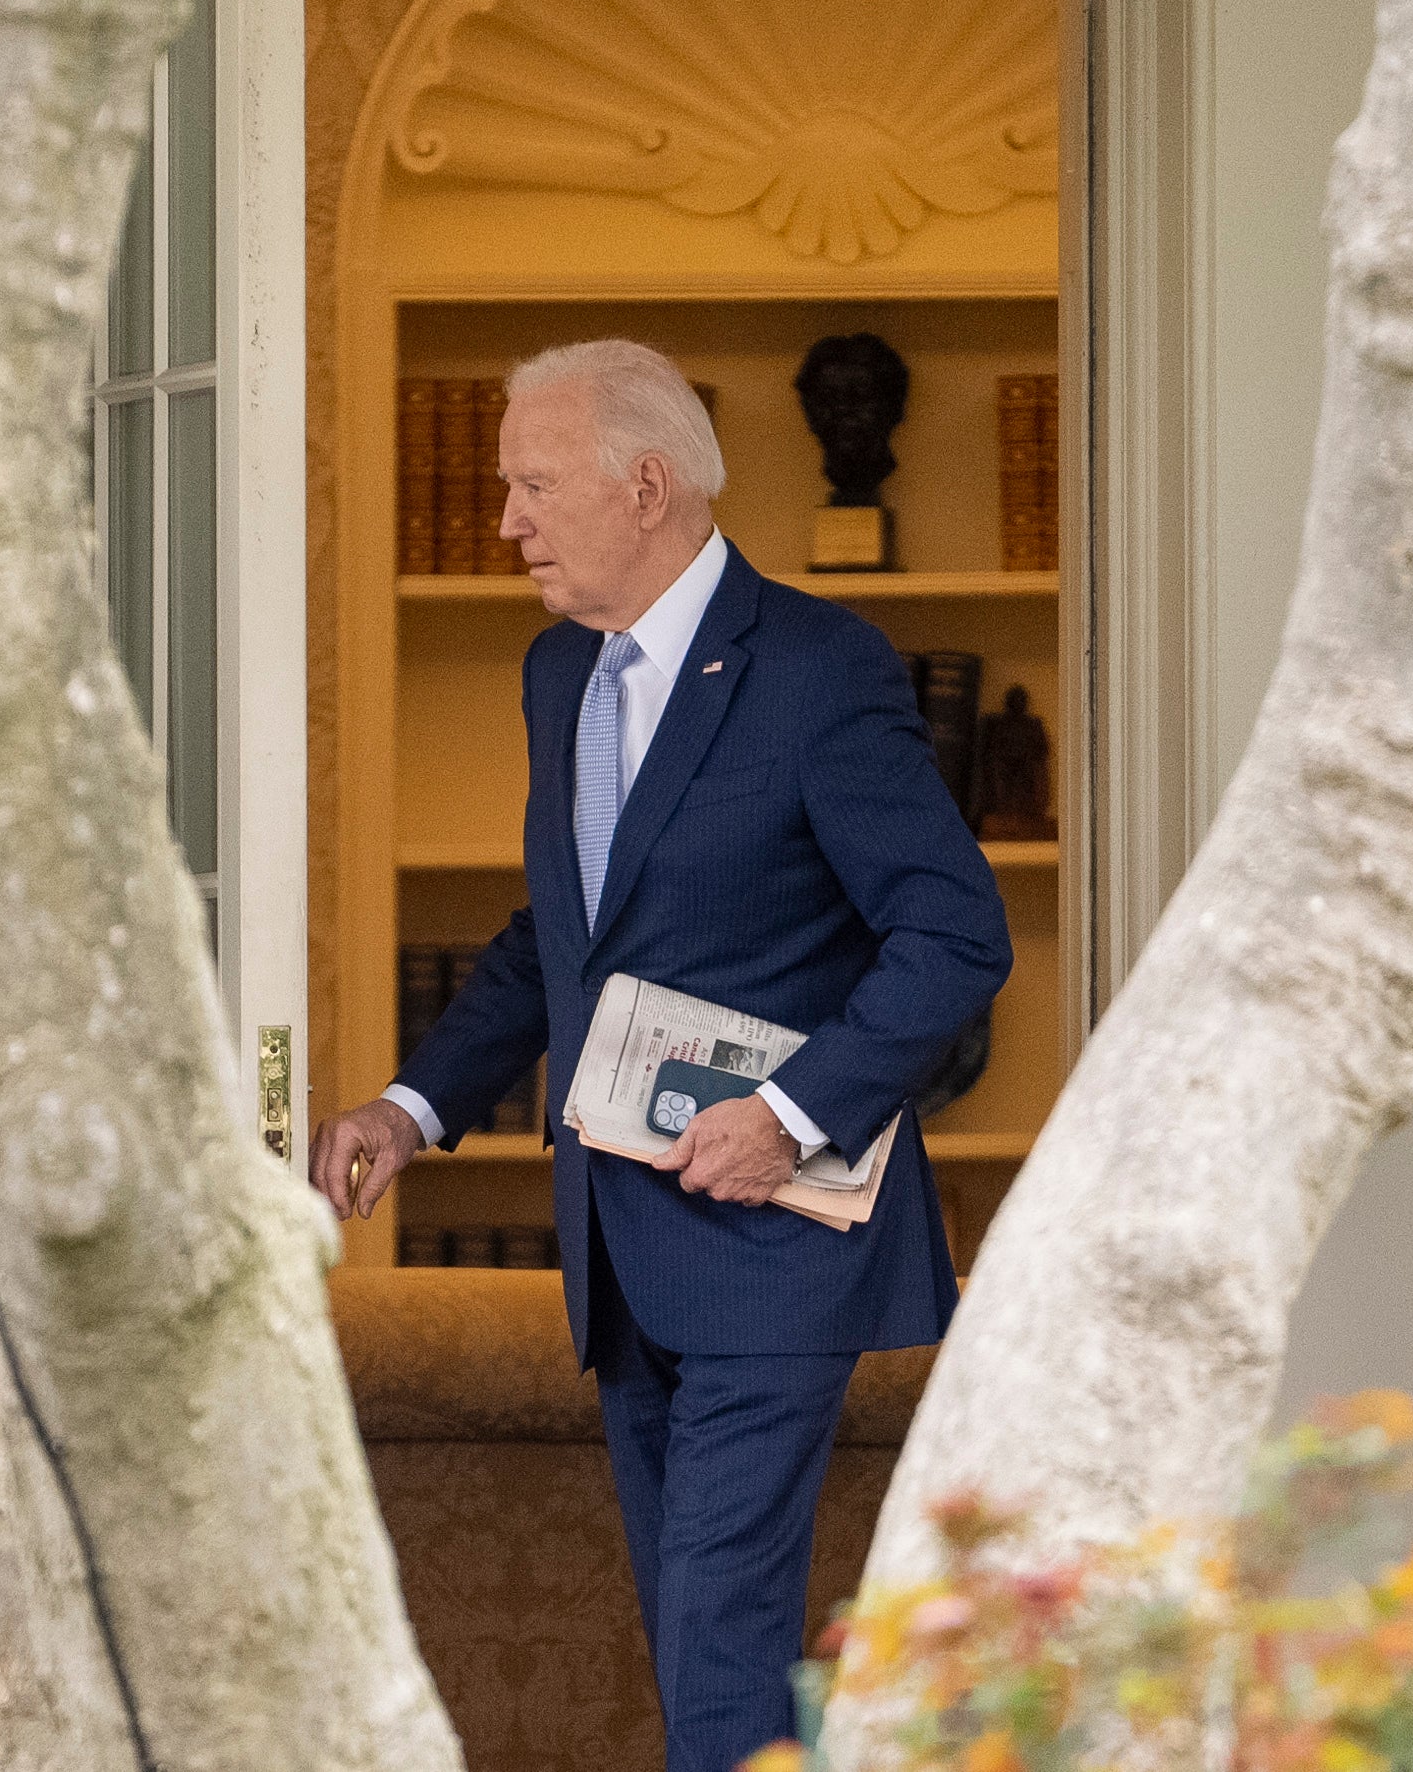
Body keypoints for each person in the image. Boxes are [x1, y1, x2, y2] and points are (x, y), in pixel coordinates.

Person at [310, 338, 1011, 1772]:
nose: (506, 519)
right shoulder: (557, 671)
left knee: (717, 1637)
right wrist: (411, 1106)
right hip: (617, 1248)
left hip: (774, 1239)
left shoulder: (819, 670)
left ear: (645, 487)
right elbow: (558, 940)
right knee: (700, 1639)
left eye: (533, 484)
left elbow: (953, 936)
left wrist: (789, 1113)